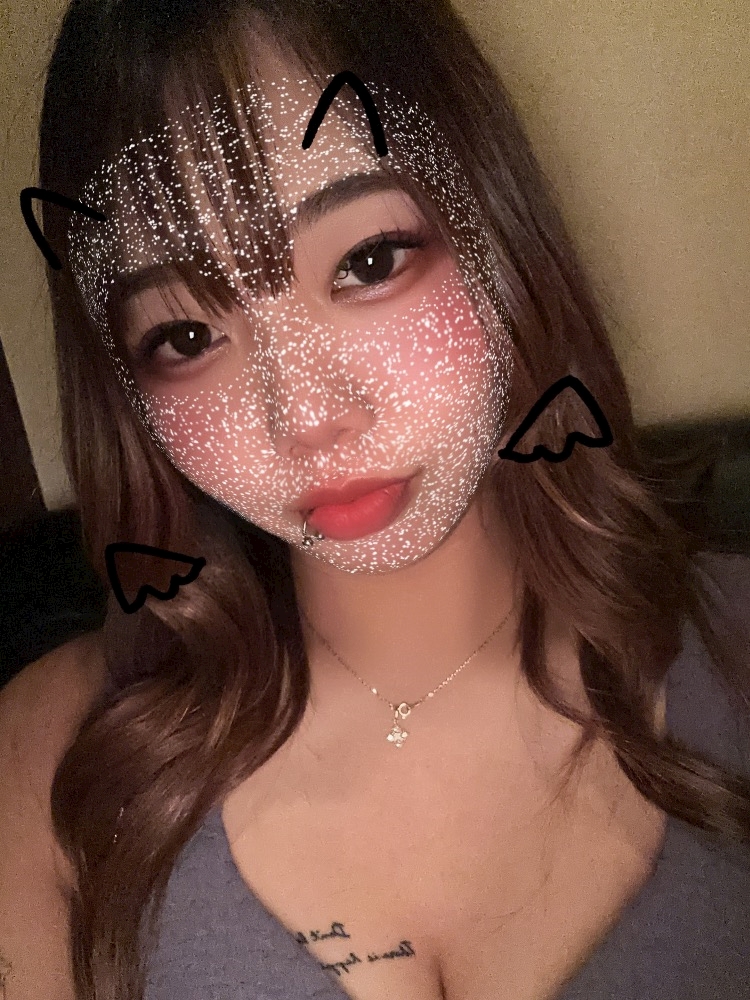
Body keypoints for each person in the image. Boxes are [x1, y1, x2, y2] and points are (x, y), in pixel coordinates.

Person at [1, 1, 748, 998]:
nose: (307, 417)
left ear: (495, 233)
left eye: (369, 262)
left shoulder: (737, 649)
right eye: (186, 337)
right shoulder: (46, 752)